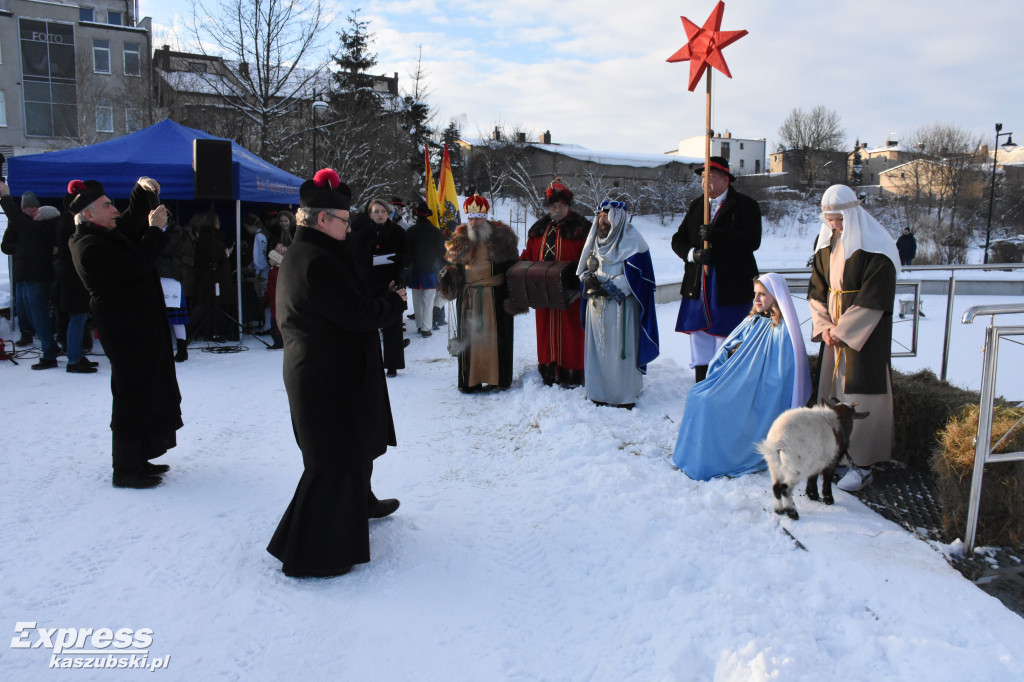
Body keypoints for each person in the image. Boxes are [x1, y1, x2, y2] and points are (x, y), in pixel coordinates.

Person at [267, 168, 405, 579]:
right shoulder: (316, 261)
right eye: (345, 221)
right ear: (323, 219)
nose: (350, 227)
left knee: (354, 445)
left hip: (336, 368)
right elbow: (357, 313)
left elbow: (352, 299)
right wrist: (393, 303)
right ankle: (315, 554)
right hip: (324, 376)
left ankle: (360, 503)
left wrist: (379, 296)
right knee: (332, 459)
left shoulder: (316, 251)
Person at [67, 177, 183, 489]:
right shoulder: (88, 246)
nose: (114, 210)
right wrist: (155, 230)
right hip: (126, 332)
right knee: (131, 397)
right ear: (89, 215)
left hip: (141, 327)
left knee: (147, 391)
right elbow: (137, 263)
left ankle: (140, 458)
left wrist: (140, 190)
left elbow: (130, 219)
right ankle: (126, 469)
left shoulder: (104, 234)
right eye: (107, 206)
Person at [672, 274, 811, 480]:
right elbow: (724, 351)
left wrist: (751, 378)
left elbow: (781, 375)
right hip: (733, 381)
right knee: (697, 395)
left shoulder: (782, 330)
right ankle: (695, 456)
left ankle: (717, 459)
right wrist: (732, 351)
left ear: (776, 296)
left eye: (763, 294)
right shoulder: (752, 320)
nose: (756, 300)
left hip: (755, 389)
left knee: (709, 404)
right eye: (755, 294)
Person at [808, 184, 900, 492]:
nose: (834, 225)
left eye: (839, 219)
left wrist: (842, 330)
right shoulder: (826, 246)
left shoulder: (877, 249)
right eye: (829, 219)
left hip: (864, 338)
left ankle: (863, 464)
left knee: (862, 395)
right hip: (834, 334)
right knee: (833, 395)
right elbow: (816, 290)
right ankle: (836, 456)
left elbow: (875, 297)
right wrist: (823, 326)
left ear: (853, 213)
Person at [671, 156, 762, 383]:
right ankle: (702, 383)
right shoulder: (697, 205)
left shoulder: (745, 205)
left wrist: (717, 235)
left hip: (730, 284)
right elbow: (678, 239)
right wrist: (693, 254)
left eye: (710, 177)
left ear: (725, 179)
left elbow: (752, 241)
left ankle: (726, 383)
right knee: (699, 332)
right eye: (702, 177)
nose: (704, 182)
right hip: (698, 282)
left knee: (727, 333)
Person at [577, 200, 659, 408]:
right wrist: (589, 280)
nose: (601, 219)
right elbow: (586, 267)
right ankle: (597, 391)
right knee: (598, 350)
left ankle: (623, 396)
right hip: (596, 307)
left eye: (606, 215)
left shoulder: (633, 241)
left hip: (621, 308)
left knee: (619, 353)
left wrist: (610, 288)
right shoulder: (595, 239)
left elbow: (639, 279)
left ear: (618, 217)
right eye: (599, 215)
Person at [439, 193, 519, 392]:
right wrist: (448, 277)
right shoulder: (460, 239)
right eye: (471, 218)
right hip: (469, 298)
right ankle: (471, 381)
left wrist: (514, 296)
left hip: (496, 297)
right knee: (470, 340)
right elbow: (454, 267)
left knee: (495, 339)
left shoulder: (502, 237)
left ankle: (496, 379)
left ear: (486, 216)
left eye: (478, 217)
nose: (474, 222)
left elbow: (513, 268)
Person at [521, 178, 590, 386]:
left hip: (572, 294)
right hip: (543, 293)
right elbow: (528, 255)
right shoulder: (538, 230)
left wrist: (575, 275)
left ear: (568, 205)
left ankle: (573, 373)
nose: (557, 208)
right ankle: (549, 371)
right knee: (546, 333)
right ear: (548, 206)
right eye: (553, 205)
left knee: (572, 334)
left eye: (561, 205)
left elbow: (590, 258)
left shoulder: (582, 228)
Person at [0, 185, 59, 367]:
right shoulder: (26, 226)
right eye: (31, 209)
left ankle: (49, 353)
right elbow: (7, 244)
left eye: (37, 209)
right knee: (31, 312)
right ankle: (43, 343)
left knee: (40, 315)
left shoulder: (43, 226)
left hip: (37, 277)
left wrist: (5, 198)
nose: (35, 212)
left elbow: (16, 218)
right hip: (24, 275)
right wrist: (22, 247)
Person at [351, 198, 408, 377]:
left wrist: (399, 279)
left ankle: (392, 364)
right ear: (370, 214)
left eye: (383, 211)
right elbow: (357, 258)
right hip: (369, 283)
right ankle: (369, 363)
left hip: (392, 282)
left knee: (393, 326)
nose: (380, 214)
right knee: (368, 326)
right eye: (376, 211)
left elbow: (406, 256)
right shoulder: (362, 233)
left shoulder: (398, 231)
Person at [54, 209, 98, 373]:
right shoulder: (73, 235)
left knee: (79, 319)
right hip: (75, 283)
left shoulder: (68, 231)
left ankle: (76, 355)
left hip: (73, 282)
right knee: (77, 319)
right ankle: (74, 359)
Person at [403, 201, 446, 338]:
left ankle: (419, 324)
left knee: (416, 299)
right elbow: (442, 252)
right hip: (431, 270)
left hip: (415, 270)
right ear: (428, 216)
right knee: (428, 299)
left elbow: (406, 252)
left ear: (416, 216)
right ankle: (426, 328)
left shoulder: (410, 231)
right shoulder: (436, 232)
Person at [156, 215, 191, 362]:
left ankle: (182, 349)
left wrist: (155, 236)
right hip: (156, 276)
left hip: (171, 277)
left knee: (177, 318)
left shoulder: (176, 232)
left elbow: (166, 249)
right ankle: (160, 349)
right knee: (157, 317)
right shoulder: (152, 230)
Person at [264, 209, 296, 349]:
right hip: (278, 274)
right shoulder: (274, 235)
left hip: (292, 274)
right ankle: (278, 337)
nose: (284, 223)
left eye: (286, 221)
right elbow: (270, 258)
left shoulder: (296, 234)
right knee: (276, 306)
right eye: (282, 221)